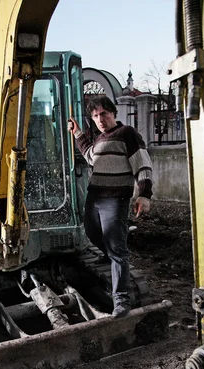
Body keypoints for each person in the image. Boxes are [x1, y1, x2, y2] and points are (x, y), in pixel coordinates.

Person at [68, 96, 153, 318]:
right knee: (92, 233)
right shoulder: (99, 140)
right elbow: (90, 157)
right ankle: (110, 255)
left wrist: (144, 195)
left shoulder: (127, 134)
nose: (100, 119)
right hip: (95, 198)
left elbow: (143, 163)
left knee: (117, 249)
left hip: (116, 200)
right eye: (95, 116)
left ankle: (121, 301)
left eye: (104, 114)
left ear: (113, 113)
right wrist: (78, 133)